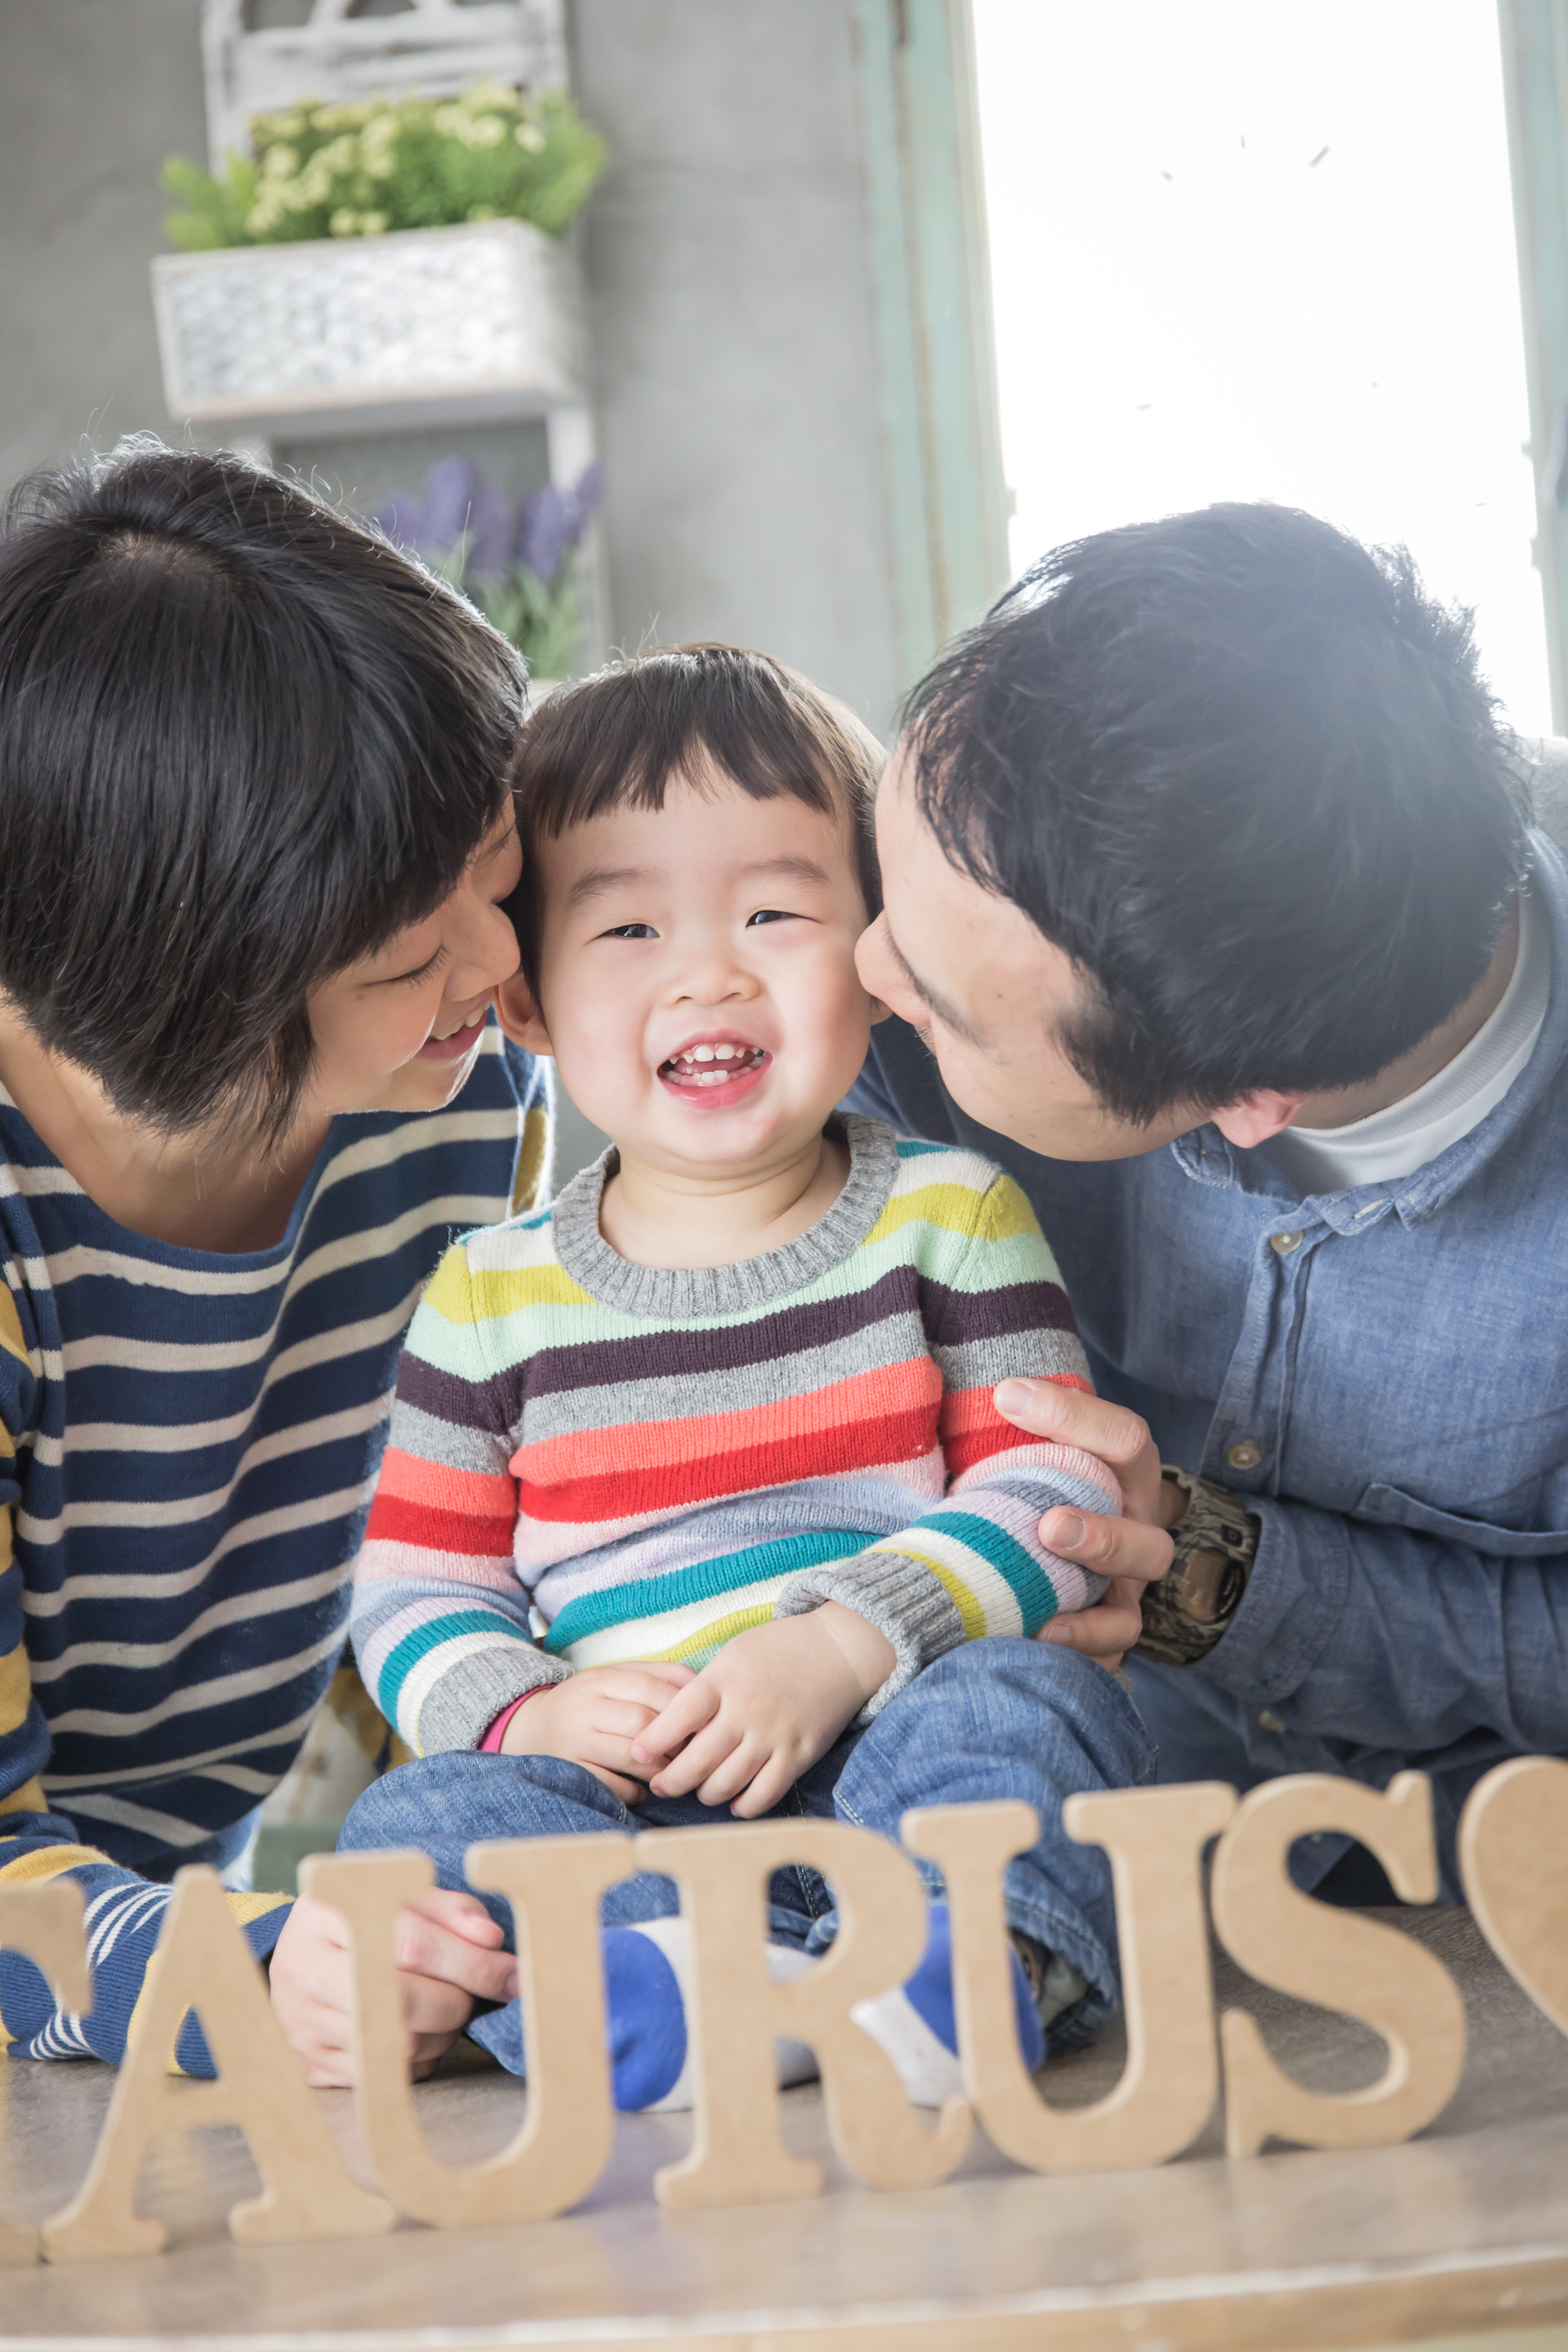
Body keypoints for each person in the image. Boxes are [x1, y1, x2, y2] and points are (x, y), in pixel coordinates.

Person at [339, 644, 1153, 2109]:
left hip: (896, 1735)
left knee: (1028, 1703)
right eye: (628, 927)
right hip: (628, 1802)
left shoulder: (949, 1216)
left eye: (775, 912)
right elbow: (413, 1594)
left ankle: (964, 1965)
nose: (710, 971)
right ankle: (673, 1988)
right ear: (526, 1002)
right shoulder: (483, 1301)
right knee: (420, 1823)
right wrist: (532, 1716)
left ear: (881, 960)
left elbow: (1054, 1488)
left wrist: (845, 1646)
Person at [849, 501, 1564, 1901]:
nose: (856, 971)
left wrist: (1216, 1574)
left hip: (1467, 1904)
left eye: (931, 1006)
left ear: (1247, 1101)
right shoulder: (975, 913)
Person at [0, 443, 544, 2084]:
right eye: (409, 948)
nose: (499, 961)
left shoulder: (457, 1095)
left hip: (168, 1945)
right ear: (196, 979)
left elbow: (470, 1544)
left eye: (496, 869)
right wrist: (251, 1970)